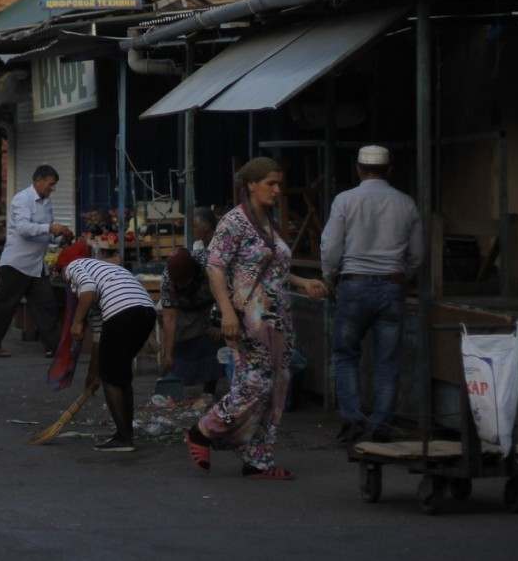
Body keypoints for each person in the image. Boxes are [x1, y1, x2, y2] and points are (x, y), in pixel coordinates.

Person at [184, 158, 327, 480]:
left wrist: (303, 282)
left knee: (277, 385)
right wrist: (228, 312)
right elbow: (215, 267)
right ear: (251, 184)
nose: (277, 190)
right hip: (250, 318)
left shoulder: (268, 222)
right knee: (254, 384)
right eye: (270, 184)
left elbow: (273, 268)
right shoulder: (235, 222)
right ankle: (204, 430)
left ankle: (258, 459)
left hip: (277, 318)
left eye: (279, 184)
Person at [321, 145, 424, 444]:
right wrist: (403, 278)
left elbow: (330, 248)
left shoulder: (345, 200)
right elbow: (417, 254)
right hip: (392, 286)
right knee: (387, 361)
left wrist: (330, 278)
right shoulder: (406, 203)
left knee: (345, 355)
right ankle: (379, 423)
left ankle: (353, 420)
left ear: (358, 168)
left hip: (353, 286)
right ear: (389, 169)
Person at [63, 244, 157, 452]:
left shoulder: (75, 266)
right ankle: (125, 434)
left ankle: (123, 438)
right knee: (119, 374)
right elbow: (99, 337)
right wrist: (92, 374)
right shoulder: (108, 271)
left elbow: (87, 291)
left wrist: (77, 322)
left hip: (121, 311)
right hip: (146, 313)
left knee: (112, 378)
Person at [0, 165, 73, 358]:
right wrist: (50, 228)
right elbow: (23, 228)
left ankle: (55, 347)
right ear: (39, 180)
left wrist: (59, 237)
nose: (52, 188)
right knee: (5, 306)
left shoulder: (47, 203)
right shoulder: (22, 199)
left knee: (46, 306)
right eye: (50, 184)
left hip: (36, 265)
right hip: (16, 264)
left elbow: (46, 234)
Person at [159, 207, 222, 394]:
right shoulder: (168, 279)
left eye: (185, 281)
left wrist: (218, 322)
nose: (182, 285)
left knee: (212, 343)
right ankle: (180, 384)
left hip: (209, 307)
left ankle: (209, 389)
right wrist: (167, 353)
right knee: (180, 349)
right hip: (185, 313)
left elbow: (224, 293)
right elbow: (169, 318)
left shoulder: (208, 266)